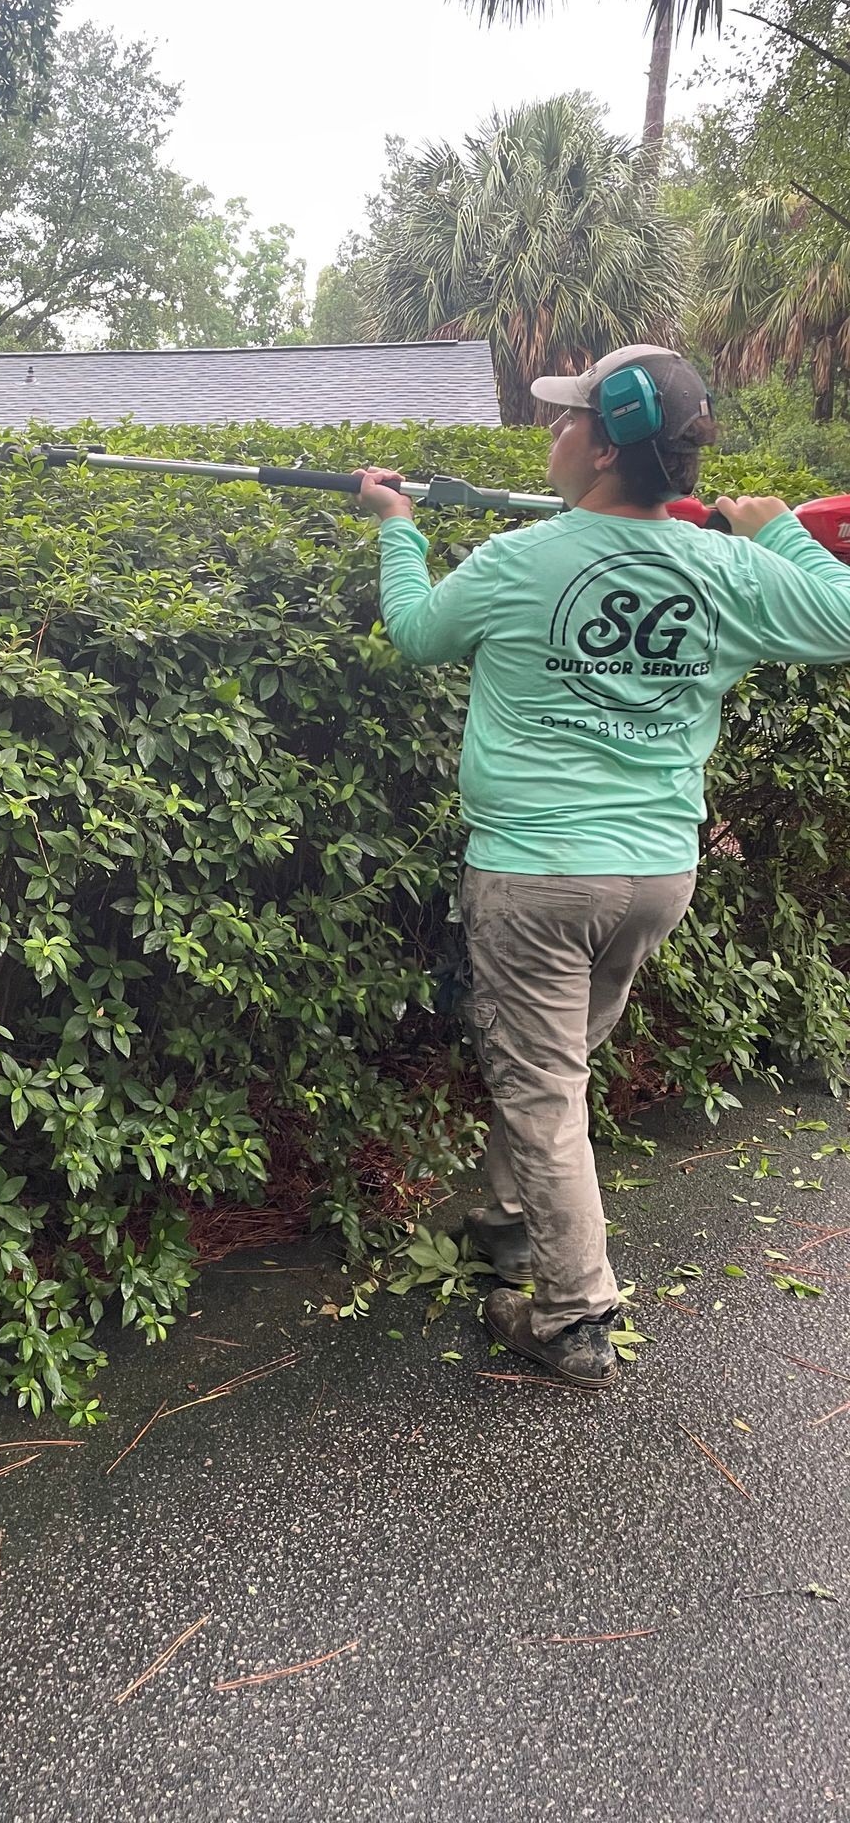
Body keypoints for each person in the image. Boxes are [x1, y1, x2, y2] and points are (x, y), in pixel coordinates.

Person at [354, 344, 850, 1389]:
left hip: (536, 876)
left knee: (543, 1086)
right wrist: (779, 541)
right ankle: (504, 1220)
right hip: (654, 877)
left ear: (604, 441)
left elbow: (414, 632)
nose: (551, 433)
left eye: (565, 417)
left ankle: (573, 1317)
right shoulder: (725, 567)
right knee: (558, 1069)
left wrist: (400, 534)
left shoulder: (516, 559)